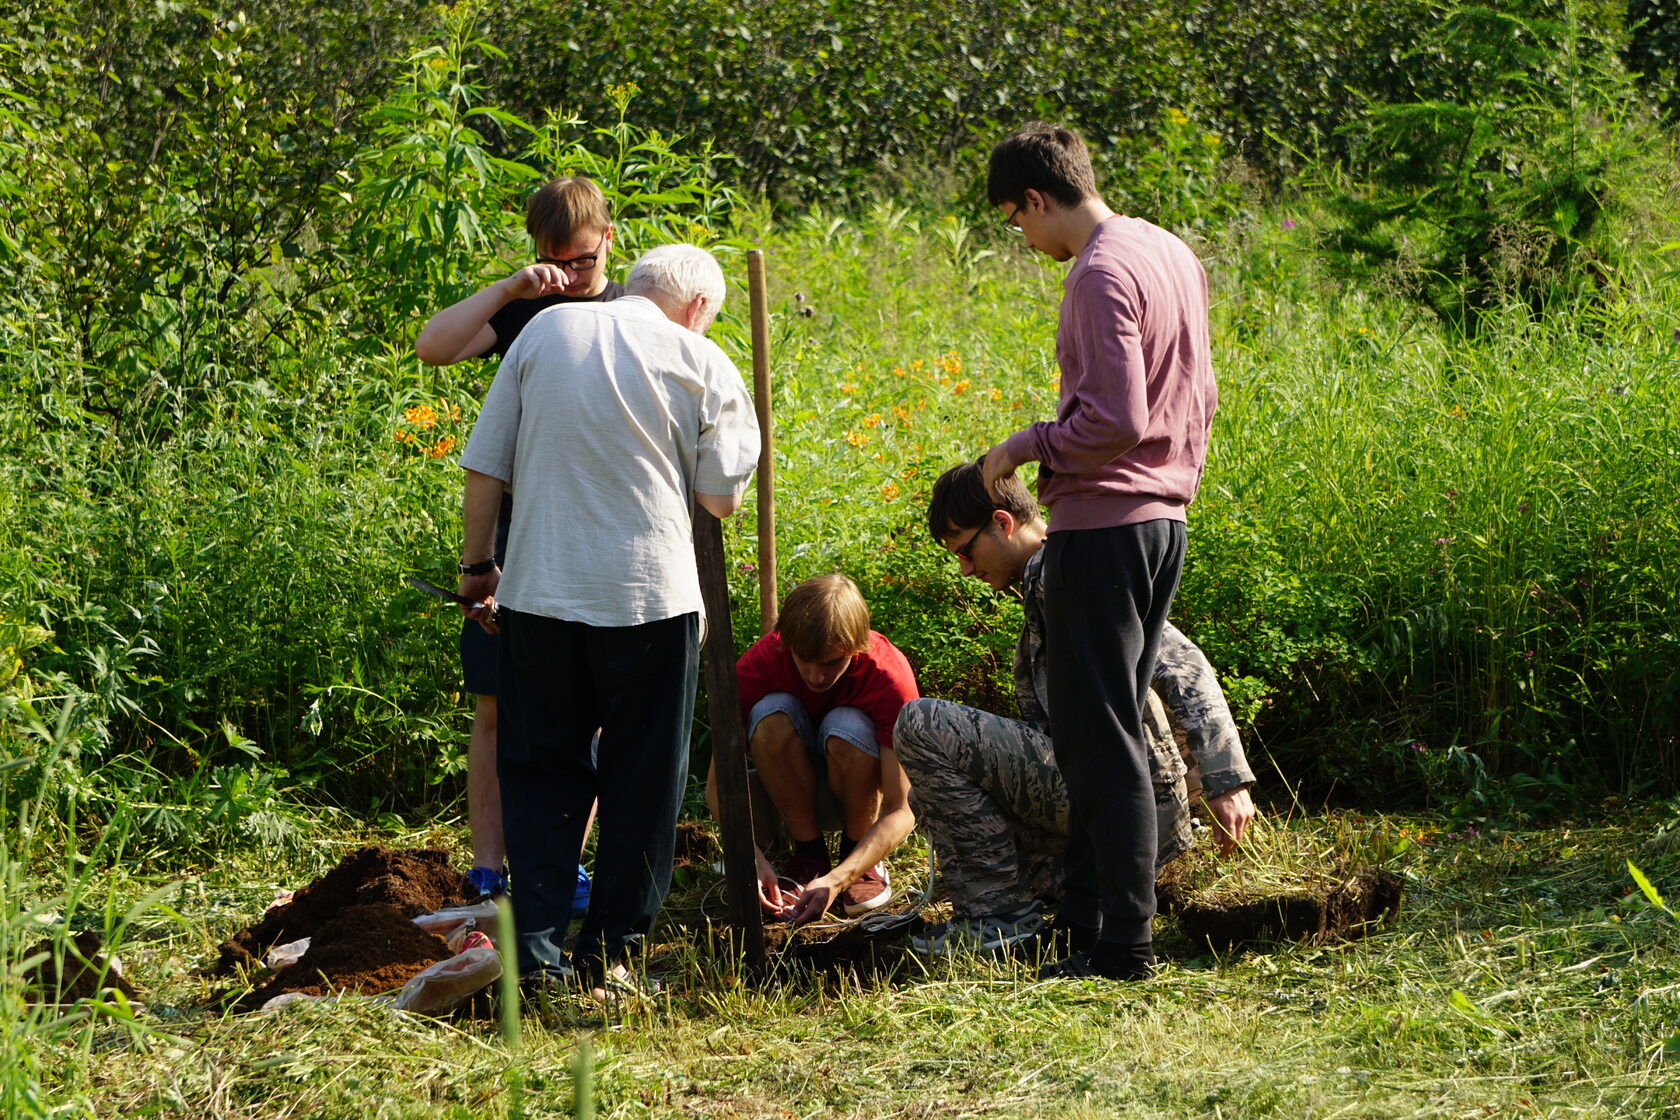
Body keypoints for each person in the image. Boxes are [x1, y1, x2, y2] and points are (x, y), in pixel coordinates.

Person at [456, 243, 760, 990]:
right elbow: (721, 498)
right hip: (651, 601)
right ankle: (610, 955)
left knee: (541, 771)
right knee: (644, 781)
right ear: (696, 309)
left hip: (539, 595)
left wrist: (476, 571)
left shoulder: (545, 332)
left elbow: (484, 464)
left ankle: (532, 950)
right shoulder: (702, 359)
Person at [980, 123, 1220, 980]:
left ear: (1038, 199)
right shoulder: (1168, 252)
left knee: (1101, 735)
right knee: (1092, 730)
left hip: (1106, 524)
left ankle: (1124, 942)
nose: (1023, 239)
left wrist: (1023, 445)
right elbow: (1201, 390)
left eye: (1016, 221)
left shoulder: (1098, 274)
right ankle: (1084, 918)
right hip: (1164, 521)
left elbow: (1115, 418)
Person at [895, 461, 1255, 958]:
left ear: (1003, 523)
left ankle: (999, 919)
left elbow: (1182, 663)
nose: (965, 568)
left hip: (1129, 804)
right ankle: (1051, 899)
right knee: (931, 795)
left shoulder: (1066, 574)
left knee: (923, 725)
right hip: (1110, 805)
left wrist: (1225, 781)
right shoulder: (1046, 582)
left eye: (965, 550)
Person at [415, 176, 623, 902]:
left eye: (584, 262)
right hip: (513, 532)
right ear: (538, 253)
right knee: (497, 704)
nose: (572, 277)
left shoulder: (632, 311)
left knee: (583, 710)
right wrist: (509, 290)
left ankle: (564, 866)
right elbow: (432, 346)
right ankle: (488, 867)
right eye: (557, 262)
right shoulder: (523, 310)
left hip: (597, 530)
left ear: (608, 238)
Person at [706, 574, 918, 923]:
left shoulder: (887, 677)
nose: (816, 676)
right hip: (788, 799)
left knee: (848, 725)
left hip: (863, 796)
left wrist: (841, 878)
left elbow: (901, 808)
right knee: (769, 714)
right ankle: (809, 855)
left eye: (832, 662)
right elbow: (717, 788)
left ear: (858, 646)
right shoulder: (758, 665)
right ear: (784, 641)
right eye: (804, 658)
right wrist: (748, 854)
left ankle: (860, 860)